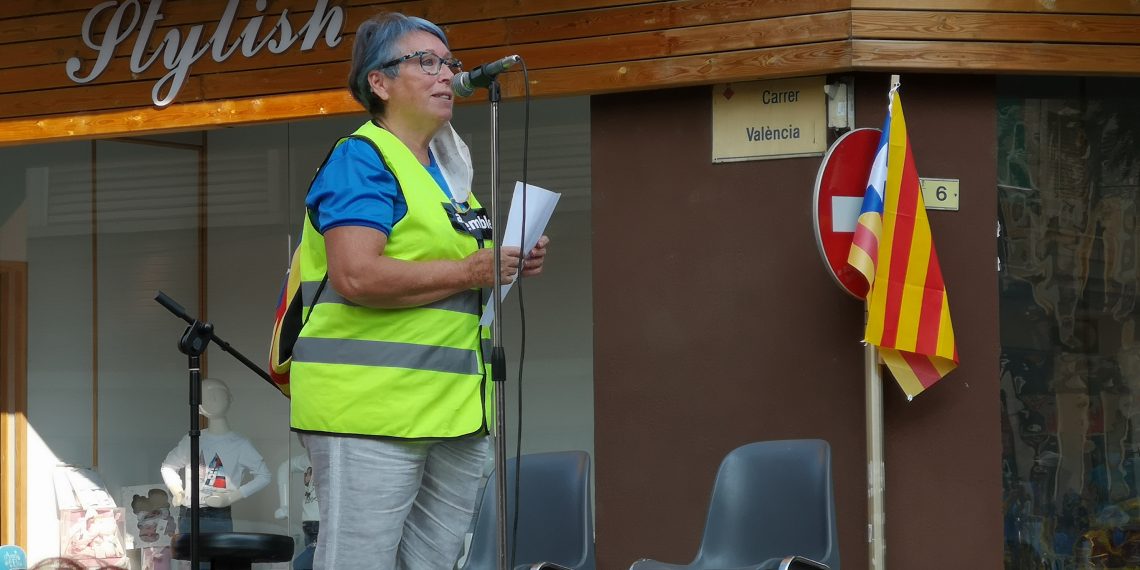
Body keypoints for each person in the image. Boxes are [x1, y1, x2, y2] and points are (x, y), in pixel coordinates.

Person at [288, 11, 549, 570]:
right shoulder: (363, 159)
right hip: (369, 411)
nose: (444, 75)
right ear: (378, 83)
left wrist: (504, 263)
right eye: (424, 62)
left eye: (448, 63)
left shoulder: (450, 172)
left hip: (455, 410)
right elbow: (357, 276)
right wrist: (472, 271)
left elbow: (453, 275)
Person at [160, 378, 271, 537]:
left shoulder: (240, 444)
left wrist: (231, 497)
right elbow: (168, 466)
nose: (211, 398)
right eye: (204, 396)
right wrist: (177, 491)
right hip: (188, 513)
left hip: (218, 515)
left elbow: (264, 475)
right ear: (197, 407)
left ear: (230, 398)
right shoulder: (192, 439)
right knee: (192, 560)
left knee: (217, 560)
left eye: (218, 391)